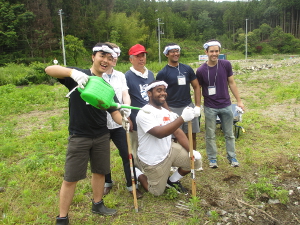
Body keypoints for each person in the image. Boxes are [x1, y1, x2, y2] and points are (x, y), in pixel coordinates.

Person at [45, 43, 129, 225]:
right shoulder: (78, 75)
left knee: (100, 171)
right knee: (71, 177)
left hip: (101, 135)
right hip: (79, 135)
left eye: (109, 58)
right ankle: (62, 218)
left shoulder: (107, 87)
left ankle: (97, 204)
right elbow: (49, 69)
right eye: (102, 56)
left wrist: (124, 121)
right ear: (93, 57)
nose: (105, 60)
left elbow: (113, 111)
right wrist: (71, 73)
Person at [135, 81, 202, 196]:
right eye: (158, 90)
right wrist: (181, 119)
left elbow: (178, 132)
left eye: (164, 90)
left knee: (195, 162)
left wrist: (191, 151)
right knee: (156, 192)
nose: (163, 93)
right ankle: (137, 172)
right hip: (153, 160)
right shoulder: (144, 113)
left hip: (169, 150)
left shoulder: (166, 112)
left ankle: (172, 181)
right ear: (149, 93)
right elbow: (159, 133)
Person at [102, 42, 143, 198]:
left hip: (119, 121)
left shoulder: (120, 75)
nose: (112, 59)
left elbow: (125, 94)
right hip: (102, 123)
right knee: (103, 155)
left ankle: (131, 185)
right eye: (109, 55)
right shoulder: (96, 75)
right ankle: (107, 182)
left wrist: (126, 107)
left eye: (115, 56)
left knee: (127, 154)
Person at [195, 39, 245, 168]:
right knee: (210, 134)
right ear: (206, 52)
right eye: (211, 51)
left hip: (226, 105)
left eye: (216, 51)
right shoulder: (200, 70)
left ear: (219, 52)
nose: (214, 53)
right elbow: (198, 89)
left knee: (229, 133)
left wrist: (239, 101)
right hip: (210, 107)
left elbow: (232, 83)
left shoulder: (226, 65)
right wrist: (198, 105)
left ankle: (232, 157)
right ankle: (212, 159)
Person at [156, 43, 201, 150]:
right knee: (174, 138)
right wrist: (168, 111)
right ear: (167, 54)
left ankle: (193, 159)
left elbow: (196, 86)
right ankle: (176, 163)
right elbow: (160, 95)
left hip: (188, 107)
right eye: (172, 51)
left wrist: (198, 106)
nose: (176, 53)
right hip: (173, 109)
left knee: (192, 135)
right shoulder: (163, 73)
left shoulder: (187, 69)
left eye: (177, 51)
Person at [125, 44, 155, 165]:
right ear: (131, 59)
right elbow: (124, 98)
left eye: (143, 55)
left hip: (151, 117)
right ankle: (138, 173)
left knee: (151, 145)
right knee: (136, 147)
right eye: (138, 56)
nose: (141, 58)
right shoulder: (126, 76)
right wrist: (128, 118)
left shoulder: (151, 74)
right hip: (136, 118)